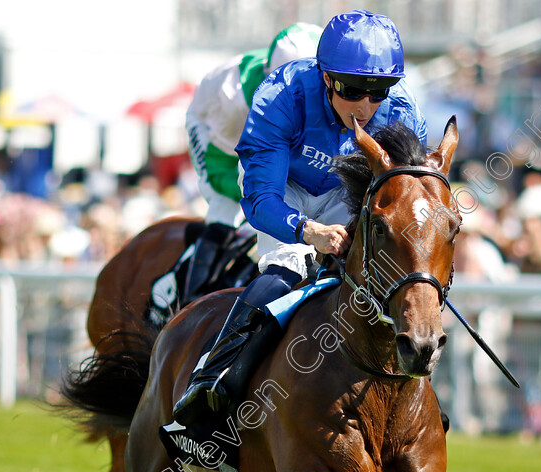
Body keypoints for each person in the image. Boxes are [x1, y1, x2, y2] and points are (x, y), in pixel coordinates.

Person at [173, 9, 427, 424]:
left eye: (377, 90)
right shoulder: (281, 95)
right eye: (353, 89)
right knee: (285, 268)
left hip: (343, 189)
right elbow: (260, 201)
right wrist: (307, 231)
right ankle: (214, 382)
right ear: (326, 77)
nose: (365, 105)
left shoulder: (399, 112)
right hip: (283, 185)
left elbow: (405, 197)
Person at [181, 22, 324, 302]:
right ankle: (188, 299)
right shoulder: (236, 103)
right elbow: (229, 168)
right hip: (215, 135)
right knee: (227, 205)